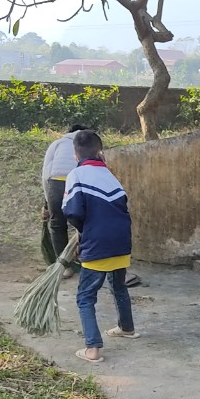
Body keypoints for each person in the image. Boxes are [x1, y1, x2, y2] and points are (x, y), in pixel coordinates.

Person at [62, 129, 138, 364]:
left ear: (76, 155)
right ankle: (127, 327)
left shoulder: (76, 175)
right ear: (100, 153)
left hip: (97, 244)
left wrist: (82, 234)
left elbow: (72, 211)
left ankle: (92, 349)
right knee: (118, 285)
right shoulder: (109, 175)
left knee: (85, 296)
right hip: (121, 242)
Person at [42, 122, 86, 258]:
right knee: (86, 222)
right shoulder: (89, 143)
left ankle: (62, 263)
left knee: (57, 224)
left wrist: (47, 203)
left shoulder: (57, 143)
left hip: (56, 183)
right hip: (77, 183)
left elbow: (46, 173)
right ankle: (85, 256)